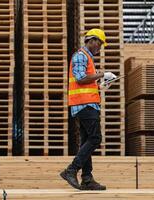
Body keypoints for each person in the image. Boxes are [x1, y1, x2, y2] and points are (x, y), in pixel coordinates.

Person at [60, 28, 116, 190]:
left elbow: (87, 80)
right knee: (95, 138)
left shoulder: (87, 58)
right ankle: (71, 170)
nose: (100, 47)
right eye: (99, 43)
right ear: (91, 40)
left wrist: (102, 84)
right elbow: (80, 78)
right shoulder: (80, 56)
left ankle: (87, 178)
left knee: (87, 140)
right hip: (84, 105)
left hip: (87, 104)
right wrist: (102, 74)